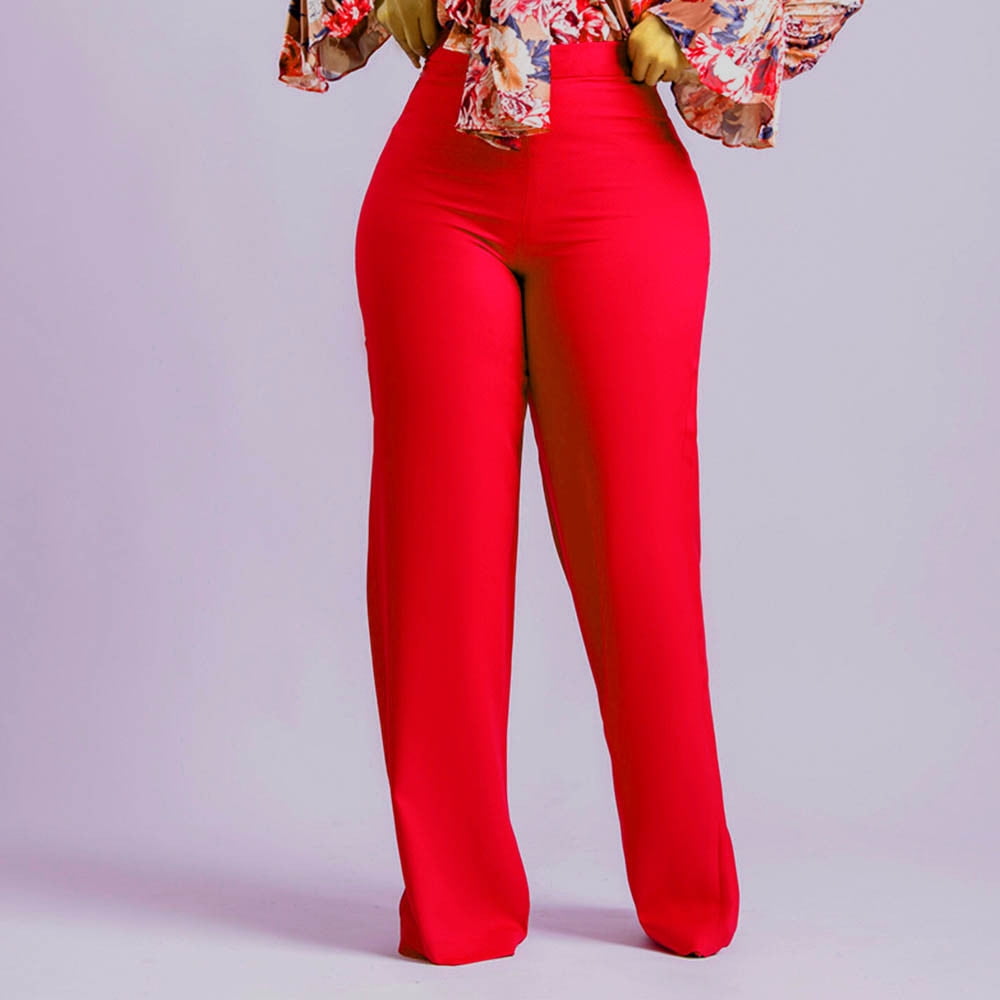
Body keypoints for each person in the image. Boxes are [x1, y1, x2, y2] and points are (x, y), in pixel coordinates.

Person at [277, 0, 866, 967]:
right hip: (439, 171)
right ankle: (456, 903)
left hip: (618, 162)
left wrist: (702, 26)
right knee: (437, 558)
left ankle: (687, 887)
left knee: (640, 554)